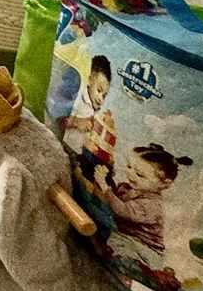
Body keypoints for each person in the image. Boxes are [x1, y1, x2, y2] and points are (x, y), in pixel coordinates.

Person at [109, 143, 192, 253]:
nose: (131, 174)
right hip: (128, 237)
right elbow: (115, 196)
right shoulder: (128, 187)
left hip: (144, 248)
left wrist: (106, 190)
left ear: (164, 184)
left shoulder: (152, 205)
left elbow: (122, 210)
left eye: (139, 174)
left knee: (111, 242)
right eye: (129, 167)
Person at [62, 54, 116, 191]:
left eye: (104, 95)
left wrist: (106, 120)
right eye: (99, 90)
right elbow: (60, 120)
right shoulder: (79, 99)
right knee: (83, 176)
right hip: (68, 150)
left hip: (82, 154)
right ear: (90, 79)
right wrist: (76, 122)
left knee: (104, 173)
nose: (100, 98)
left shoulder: (95, 109)